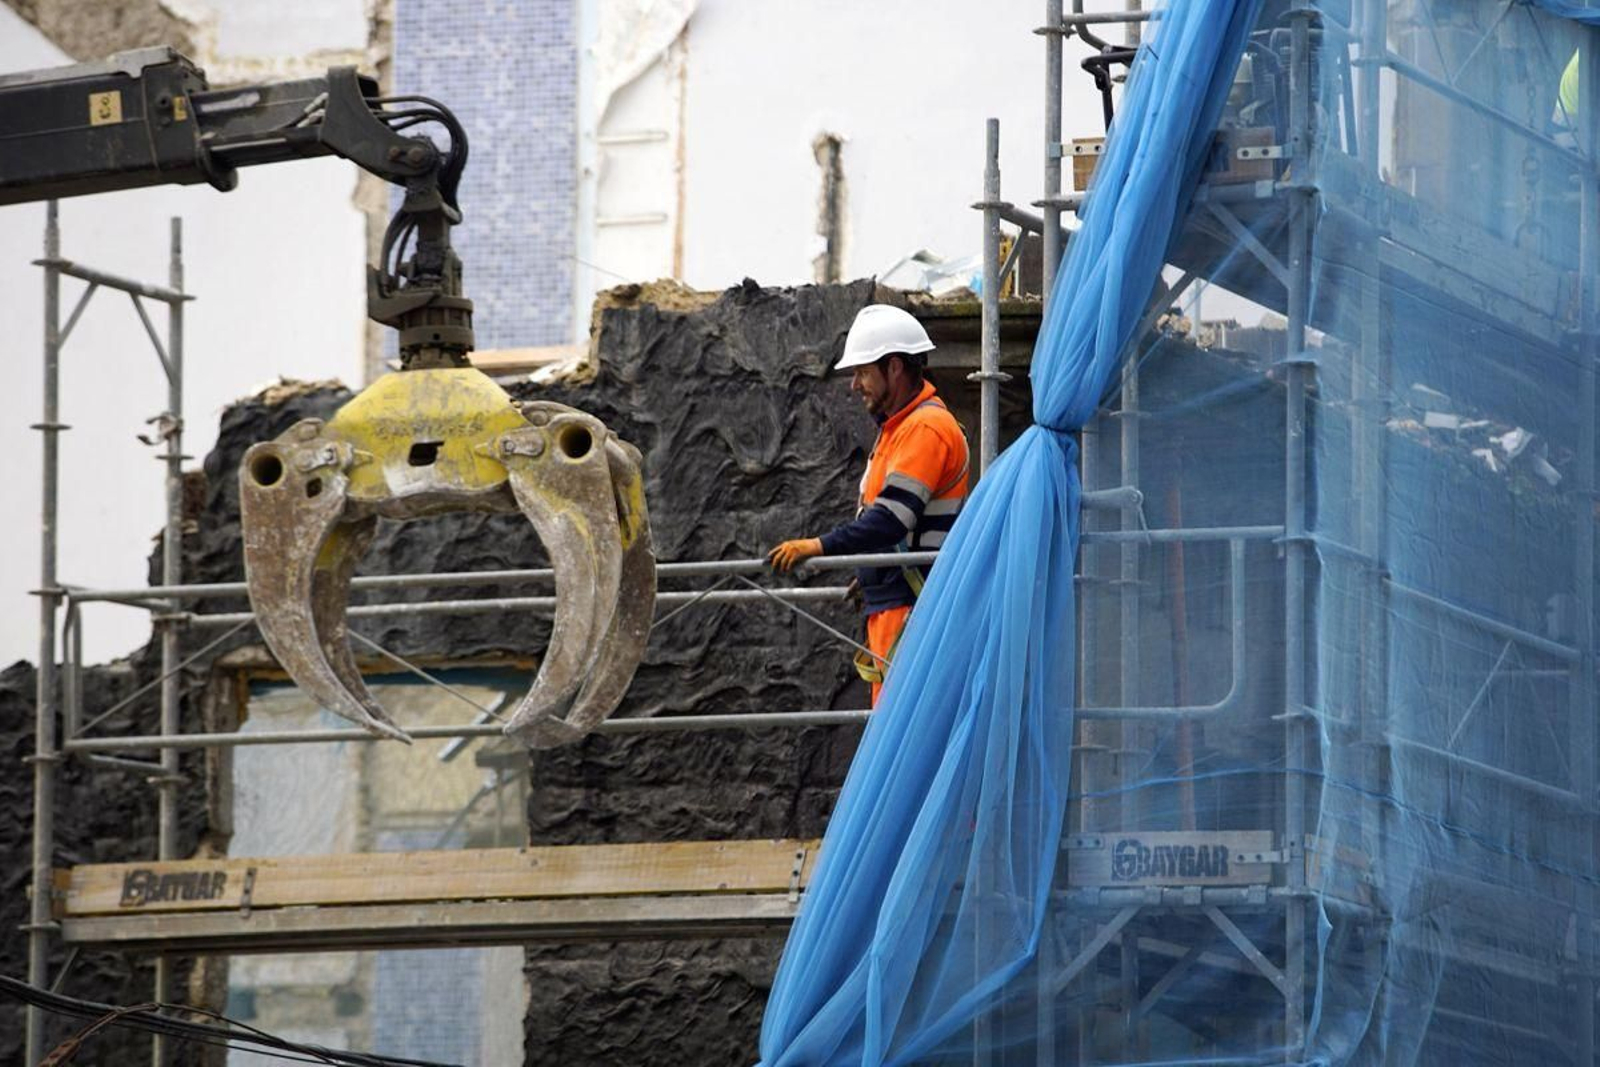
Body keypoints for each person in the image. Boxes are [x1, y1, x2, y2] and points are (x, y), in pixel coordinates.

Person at [767, 304, 970, 705]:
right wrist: (873, 572)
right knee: (895, 733)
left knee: (903, 737)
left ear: (894, 367)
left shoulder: (925, 428)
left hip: (912, 609)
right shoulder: (901, 428)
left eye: (862, 372)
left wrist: (818, 546)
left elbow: (892, 520)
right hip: (899, 604)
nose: (854, 384)